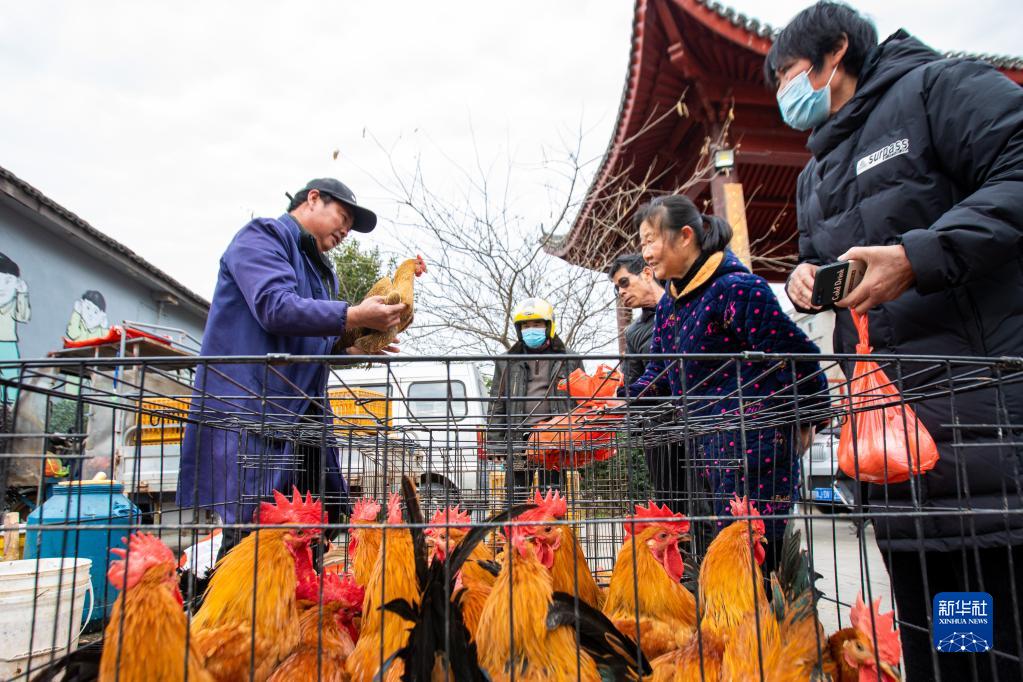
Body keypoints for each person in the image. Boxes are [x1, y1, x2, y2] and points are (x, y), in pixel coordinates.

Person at [766, 3, 1023, 676]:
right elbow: (822, 263)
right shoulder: (815, 174)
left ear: (835, 53)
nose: (783, 92)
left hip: (979, 423)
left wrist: (918, 256)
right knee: (940, 639)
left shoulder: (940, 88)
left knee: (998, 638)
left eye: (787, 72)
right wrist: (804, 280)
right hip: (889, 445)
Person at [177, 178, 406, 545]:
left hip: (304, 417)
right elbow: (274, 307)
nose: (346, 230)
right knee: (254, 534)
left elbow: (309, 344)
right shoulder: (263, 236)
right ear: (313, 199)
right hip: (255, 410)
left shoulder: (321, 271)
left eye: (350, 226)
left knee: (313, 530)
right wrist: (353, 315)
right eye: (343, 217)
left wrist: (352, 352)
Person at [626, 195, 827, 575]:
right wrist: (621, 399)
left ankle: (774, 605)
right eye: (642, 243)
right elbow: (661, 371)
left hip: (759, 437)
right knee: (728, 545)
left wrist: (810, 417)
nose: (645, 253)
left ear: (685, 236)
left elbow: (795, 354)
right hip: (710, 440)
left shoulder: (736, 288)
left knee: (759, 545)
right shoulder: (670, 304)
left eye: (651, 240)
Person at [486, 298, 582, 501]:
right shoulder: (506, 361)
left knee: (552, 495)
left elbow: (581, 398)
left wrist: (579, 435)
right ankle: (514, 523)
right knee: (515, 495)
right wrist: (495, 443)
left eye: (537, 324)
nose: (531, 329)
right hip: (519, 439)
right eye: (525, 325)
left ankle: (552, 523)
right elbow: (497, 403)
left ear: (549, 326)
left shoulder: (569, 358)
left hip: (555, 438)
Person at [607, 253, 663, 384]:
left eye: (624, 282)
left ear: (647, 274)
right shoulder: (633, 332)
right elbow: (631, 383)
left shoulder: (685, 304)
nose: (621, 292)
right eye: (617, 288)